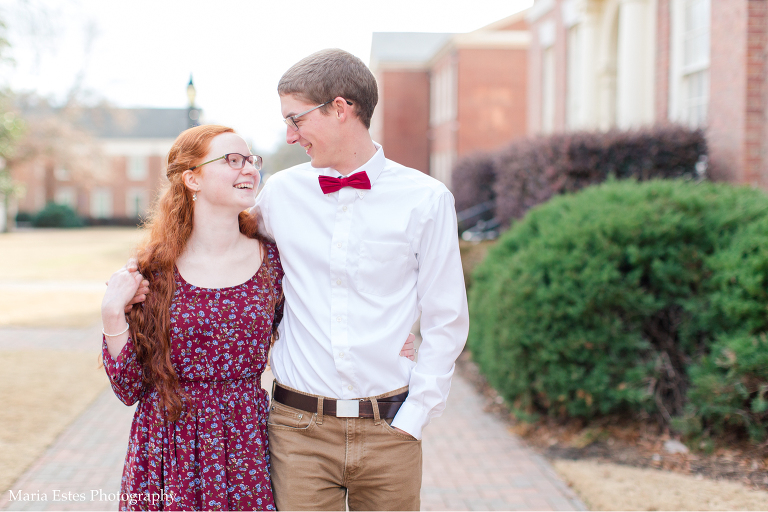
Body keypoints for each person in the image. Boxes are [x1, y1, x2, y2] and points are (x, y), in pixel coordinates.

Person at [254, 48, 469, 511]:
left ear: (340, 108)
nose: (290, 136)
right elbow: (233, 261)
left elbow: (445, 315)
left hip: (390, 429)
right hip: (298, 432)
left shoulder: (426, 200)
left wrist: (416, 414)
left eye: (296, 120)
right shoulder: (280, 195)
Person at [101, 125, 281, 511]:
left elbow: (314, 323)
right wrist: (113, 312)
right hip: (167, 448)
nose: (249, 169)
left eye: (251, 160)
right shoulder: (153, 270)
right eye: (233, 160)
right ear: (192, 178)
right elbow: (128, 388)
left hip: (244, 446)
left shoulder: (273, 262)